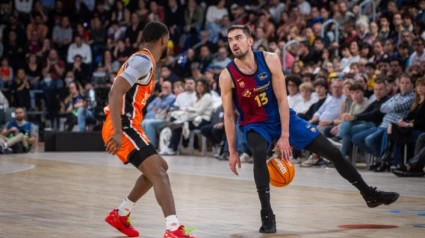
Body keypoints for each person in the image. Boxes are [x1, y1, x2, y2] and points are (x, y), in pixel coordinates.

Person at [219, 24, 400, 234]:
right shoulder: (227, 75)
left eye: (238, 37)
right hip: (256, 124)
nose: (234, 43)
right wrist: (232, 151)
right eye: (230, 39)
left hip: (282, 118)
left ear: (249, 41)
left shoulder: (270, 60)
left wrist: (285, 135)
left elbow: (282, 100)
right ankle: (267, 214)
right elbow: (229, 115)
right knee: (259, 153)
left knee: (333, 152)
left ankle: (369, 194)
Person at [102, 22, 196, 238]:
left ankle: (121, 214)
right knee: (160, 174)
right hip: (122, 125)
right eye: (168, 41)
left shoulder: (144, 61)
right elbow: (115, 92)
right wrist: (117, 131)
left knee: (159, 167)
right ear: (163, 40)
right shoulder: (143, 60)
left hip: (128, 125)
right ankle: (173, 230)